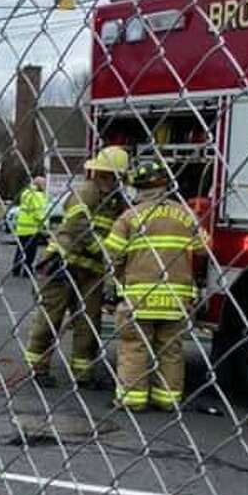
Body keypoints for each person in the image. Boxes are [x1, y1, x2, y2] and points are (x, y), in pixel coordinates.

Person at [104, 159, 207, 412]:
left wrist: (113, 286)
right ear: (166, 185)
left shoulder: (129, 217)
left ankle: (132, 400)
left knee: (134, 348)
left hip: (139, 298)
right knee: (171, 349)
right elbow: (205, 248)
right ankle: (167, 400)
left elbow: (111, 254)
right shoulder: (185, 214)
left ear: (137, 188)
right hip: (176, 298)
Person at [23, 145, 129, 387]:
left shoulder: (116, 201)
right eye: (111, 176)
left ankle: (84, 374)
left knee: (89, 324)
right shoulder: (85, 192)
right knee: (49, 320)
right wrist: (105, 253)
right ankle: (37, 369)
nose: (113, 181)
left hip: (91, 273)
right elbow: (79, 227)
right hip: (62, 266)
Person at [13, 175, 49, 277]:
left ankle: (16, 269)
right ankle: (27, 271)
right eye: (44, 184)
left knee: (20, 249)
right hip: (32, 228)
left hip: (22, 227)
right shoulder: (38, 196)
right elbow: (38, 213)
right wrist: (45, 224)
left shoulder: (26, 193)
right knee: (30, 252)